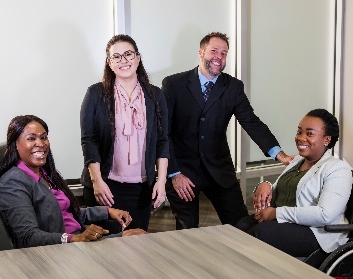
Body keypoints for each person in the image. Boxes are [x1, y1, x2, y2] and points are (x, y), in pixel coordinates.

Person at [162, 31, 293, 230]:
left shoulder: (233, 87)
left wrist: (280, 155)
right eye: (214, 51)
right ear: (201, 52)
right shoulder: (173, 84)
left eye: (224, 53)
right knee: (187, 233)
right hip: (184, 172)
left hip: (219, 170)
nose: (219, 57)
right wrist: (174, 173)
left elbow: (251, 122)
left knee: (241, 226)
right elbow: (163, 132)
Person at [0, 115, 146, 248]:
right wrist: (74, 238)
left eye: (43, 137)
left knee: (139, 235)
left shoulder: (44, 174)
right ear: (15, 144)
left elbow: (62, 213)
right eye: (31, 138)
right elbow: (28, 237)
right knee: (136, 242)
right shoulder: (13, 182)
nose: (40, 143)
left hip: (77, 242)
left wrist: (107, 211)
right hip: (60, 252)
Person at [80, 34, 169, 231]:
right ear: (109, 63)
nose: (124, 61)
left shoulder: (155, 95)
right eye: (116, 57)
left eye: (128, 54)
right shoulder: (96, 94)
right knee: (105, 248)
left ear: (137, 58)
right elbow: (89, 140)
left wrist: (161, 181)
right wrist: (97, 181)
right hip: (105, 185)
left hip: (141, 188)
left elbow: (162, 141)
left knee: (137, 247)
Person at [236, 109, 352, 257]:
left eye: (309, 134)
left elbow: (325, 214)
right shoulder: (297, 161)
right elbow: (287, 191)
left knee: (260, 233)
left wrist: (277, 213)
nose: (301, 138)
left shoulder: (337, 169)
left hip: (317, 232)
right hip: (289, 224)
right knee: (242, 226)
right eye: (299, 132)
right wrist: (265, 185)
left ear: (327, 140)